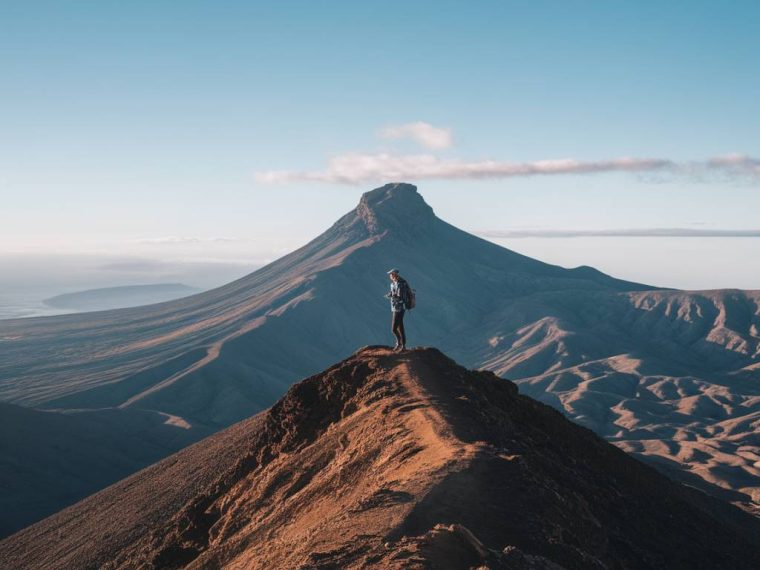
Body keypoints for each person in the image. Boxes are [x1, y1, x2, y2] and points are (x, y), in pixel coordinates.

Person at [385, 268, 409, 351]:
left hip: (399, 308)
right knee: (400, 327)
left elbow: (400, 297)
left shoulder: (400, 284)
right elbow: (394, 293)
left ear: (394, 274)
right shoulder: (394, 284)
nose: (390, 276)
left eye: (391, 274)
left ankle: (399, 344)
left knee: (394, 329)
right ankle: (403, 346)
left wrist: (392, 296)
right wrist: (390, 294)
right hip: (395, 307)